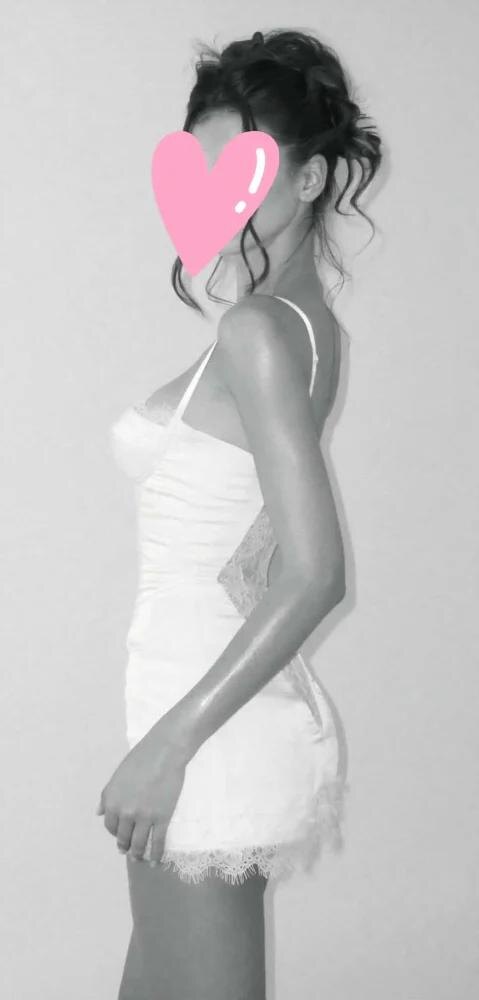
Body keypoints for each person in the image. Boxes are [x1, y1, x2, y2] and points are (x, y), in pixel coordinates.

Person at [105, 26, 382, 1000]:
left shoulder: (261, 329)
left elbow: (312, 571)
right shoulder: (304, 327)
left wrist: (168, 744)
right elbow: (252, 552)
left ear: (310, 178)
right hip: (206, 711)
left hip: (200, 733)